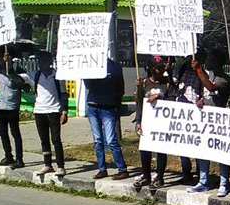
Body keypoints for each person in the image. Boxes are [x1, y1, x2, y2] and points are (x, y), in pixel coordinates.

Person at [192, 51, 230, 197]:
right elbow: (206, 93)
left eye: (211, 57)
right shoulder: (209, 76)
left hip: (219, 122)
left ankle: (224, 183)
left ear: (218, 62)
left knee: (221, 153)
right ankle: (203, 181)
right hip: (206, 120)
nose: (208, 60)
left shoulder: (225, 79)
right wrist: (201, 101)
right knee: (202, 150)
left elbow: (211, 87)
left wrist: (198, 70)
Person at [133, 57, 175, 190]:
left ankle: (160, 177)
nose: (163, 69)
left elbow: (172, 100)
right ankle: (146, 175)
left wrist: (158, 97)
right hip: (147, 121)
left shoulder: (167, 83)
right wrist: (138, 121)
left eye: (163, 67)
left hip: (161, 122)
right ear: (153, 69)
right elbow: (139, 103)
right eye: (160, 67)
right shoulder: (144, 83)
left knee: (160, 150)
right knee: (145, 150)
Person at [84, 58, 129, 180]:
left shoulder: (114, 66)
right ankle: (102, 168)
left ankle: (122, 169)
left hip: (108, 107)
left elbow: (120, 87)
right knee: (97, 139)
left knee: (110, 139)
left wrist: (115, 102)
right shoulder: (90, 65)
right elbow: (88, 85)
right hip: (93, 106)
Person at [174, 50, 212, 188]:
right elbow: (171, 85)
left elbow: (207, 92)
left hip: (195, 112)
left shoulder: (203, 73)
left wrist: (201, 99)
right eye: (191, 58)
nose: (192, 60)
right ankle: (186, 172)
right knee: (183, 143)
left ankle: (199, 173)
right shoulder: (181, 69)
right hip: (181, 110)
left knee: (196, 142)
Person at [29, 52, 68, 176]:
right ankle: (47, 164)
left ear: (49, 62)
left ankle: (60, 166)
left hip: (53, 110)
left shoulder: (57, 76)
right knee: (43, 139)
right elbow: (18, 77)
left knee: (55, 139)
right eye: (40, 61)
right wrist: (8, 64)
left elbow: (63, 94)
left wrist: (64, 111)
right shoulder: (36, 75)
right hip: (39, 111)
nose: (41, 63)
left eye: (44, 61)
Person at [0, 50, 28, 169]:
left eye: (6, 56)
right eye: (2, 56)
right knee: (2, 132)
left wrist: (11, 71)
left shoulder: (18, 70)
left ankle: (19, 159)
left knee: (15, 132)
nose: (3, 58)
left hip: (12, 106)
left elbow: (24, 86)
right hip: (1, 105)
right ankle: (8, 156)